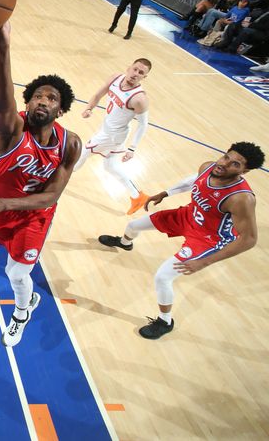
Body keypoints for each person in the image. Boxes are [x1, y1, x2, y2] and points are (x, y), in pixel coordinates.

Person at [0, 27, 81, 347]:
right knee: (11, 264)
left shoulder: (71, 144)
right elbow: (1, 93)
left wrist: (7, 204)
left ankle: (22, 314)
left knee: (16, 274)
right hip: (4, 209)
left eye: (51, 98)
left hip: (35, 213)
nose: (42, 100)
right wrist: (4, 45)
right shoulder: (12, 128)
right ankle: (27, 299)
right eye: (37, 95)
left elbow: (52, 195)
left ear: (60, 110)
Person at [98, 143, 264, 339]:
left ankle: (164, 321)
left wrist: (204, 262)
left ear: (244, 171)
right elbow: (195, 180)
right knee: (134, 226)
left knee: (162, 276)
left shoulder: (242, 199)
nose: (225, 164)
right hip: (189, 216)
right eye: (226, 157)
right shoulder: (210, 167)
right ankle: (125, 243)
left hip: (208, 238)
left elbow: (249, 239)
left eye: (234, 164)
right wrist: (165, 193)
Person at [74, 58, 152, 214]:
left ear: (145, 77)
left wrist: (132, 148)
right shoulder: (116, 78)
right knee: (111, 166)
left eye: (141, 73)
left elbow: (143, 124)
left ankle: (53, 178)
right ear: (129, 67)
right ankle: (137, 196)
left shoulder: (139, 99)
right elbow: (98, 94)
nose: (136, 74)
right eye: (135, 69)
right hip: (108, 129)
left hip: (113, 135)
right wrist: (89, 108)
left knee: (82, 152)